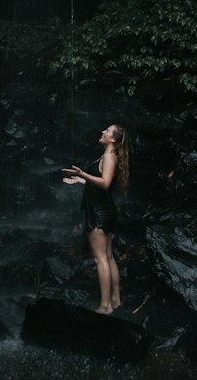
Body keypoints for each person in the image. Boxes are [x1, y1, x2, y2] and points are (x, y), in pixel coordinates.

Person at [62, 123, 130, 314]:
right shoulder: (109, 156)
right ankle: (116, 300)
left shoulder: (109, 157)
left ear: (113, 139)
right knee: (108, 257)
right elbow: (100, 184)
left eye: (107, 131)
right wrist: (81, 181)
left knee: (101, 259)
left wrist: (82, 173)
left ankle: (105, 306)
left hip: (98, 213)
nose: (102, 132)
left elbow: (105, 183)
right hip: (105, 210)